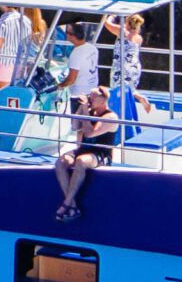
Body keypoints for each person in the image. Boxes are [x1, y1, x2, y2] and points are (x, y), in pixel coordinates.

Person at [56, 86, 118, 219]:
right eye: (89, 96)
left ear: (103, 100)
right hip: (83, 150)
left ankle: (66, 204)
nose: (90, 100)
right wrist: (81, 108)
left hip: (100, 153)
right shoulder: (88, 112)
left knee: (81, 161)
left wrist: (85, 111)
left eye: (93, 98)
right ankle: (72, 205)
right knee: (61, 162)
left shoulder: (110, 117)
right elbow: (74, 127)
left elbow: (90, 133)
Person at [101, 13, 144, 126]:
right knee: (128, 91)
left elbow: (106, 24)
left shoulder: (122, 31)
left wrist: (112, 15)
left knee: (117, 92)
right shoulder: (139, 38)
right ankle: (137, 98)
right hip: (134, 68)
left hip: (121, 67)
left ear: (127, 23)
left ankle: (118, 121)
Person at [0, 5, 31, 91]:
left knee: (5, 93)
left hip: (6, 62)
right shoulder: (26, 20)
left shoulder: (1, 22)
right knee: (17, 94)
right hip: (21, 62)